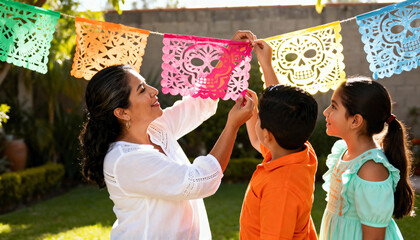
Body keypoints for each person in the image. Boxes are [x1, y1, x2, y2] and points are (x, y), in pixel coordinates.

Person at [78, 32, 256, 240]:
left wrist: (230, 56)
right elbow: (199, 181)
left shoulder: (155, 129)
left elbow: (198, 104)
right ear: (122, 112)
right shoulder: (125, 160)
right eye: (142, 90)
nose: (154, 91)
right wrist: (232, 126)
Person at [240, 39, 319, 239]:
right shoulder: (300, 152)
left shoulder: (280, 188)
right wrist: (266, 64)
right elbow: (282, 109)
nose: (256, 117)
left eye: (259, 118)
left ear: (268, 135)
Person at [320, 77, 416, 239]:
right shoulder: (344, 152)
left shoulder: (371, 170)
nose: (326, 112)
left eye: (334, 106)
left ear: (355, 120)